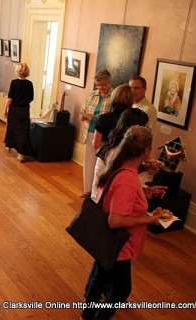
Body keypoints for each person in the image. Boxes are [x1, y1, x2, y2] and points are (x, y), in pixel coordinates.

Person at [81, 125, 166, 320]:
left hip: (106, 242)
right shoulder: (127, 179)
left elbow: (117, 198)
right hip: (119, 246)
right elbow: (116, 220)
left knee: (99, 278)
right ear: (146, 151)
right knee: (120, 291)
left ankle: (86, 316)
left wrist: (143, 194)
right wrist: (149, 219)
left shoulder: (120, 166)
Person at [80, 69, 113, 198]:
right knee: (88, 162)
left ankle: (98, 193)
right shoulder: (93, 94)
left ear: (109, 81)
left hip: (104, 134)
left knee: (100, 164)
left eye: (103, 84)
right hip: (90, 130)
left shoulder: (114, 96)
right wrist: (83, 115)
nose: (100, 87)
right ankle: (87, 190)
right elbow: (85, 107)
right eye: (98, 84)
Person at [4, 63, 34, 163]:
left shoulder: (14, 83)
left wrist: (5, 109)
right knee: (23, 131)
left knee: (12, 128)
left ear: (18, 71)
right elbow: (31, 99)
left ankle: (9, 145)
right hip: (25, 110)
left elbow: (10, 98)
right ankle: (21, 154)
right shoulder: (29, 84)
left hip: (14, 109)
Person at [92, 84, 133, 151]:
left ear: (113, 98)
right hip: (128, 158)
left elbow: (96, 145)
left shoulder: (104, 118)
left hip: (107, 156)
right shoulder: (137, 118)